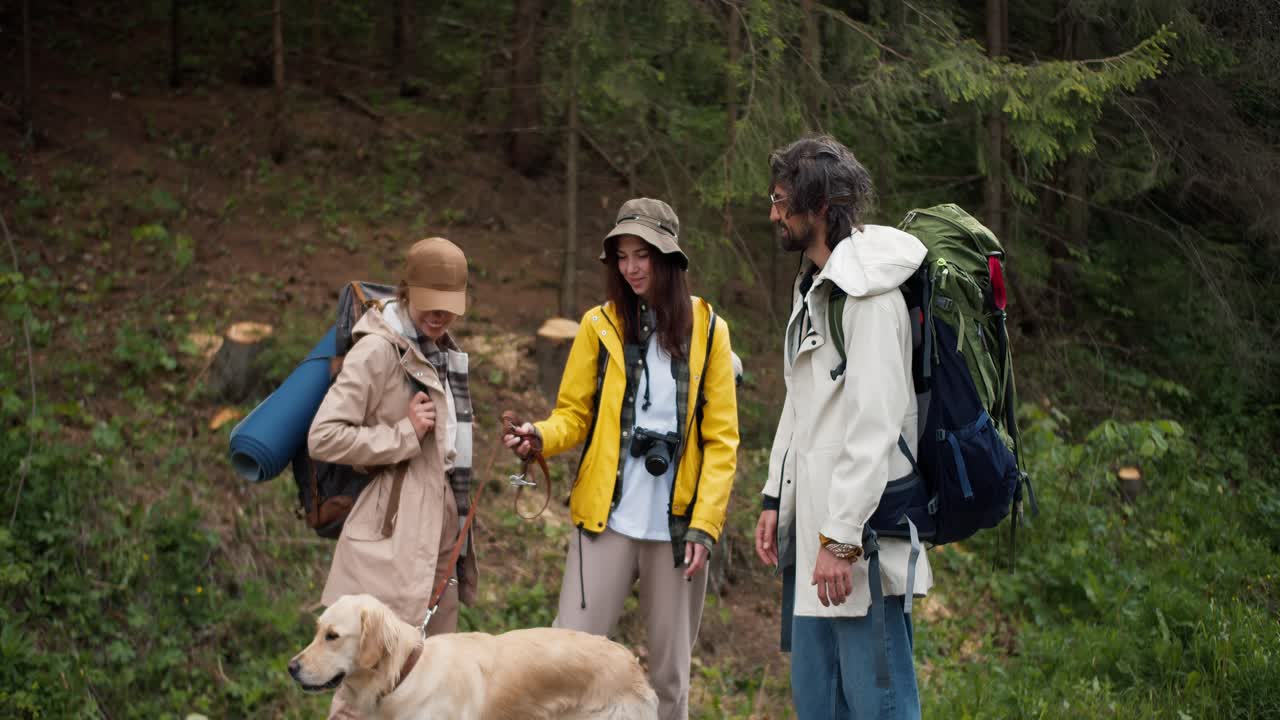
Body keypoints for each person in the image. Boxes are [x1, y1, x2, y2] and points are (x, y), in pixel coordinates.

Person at [503, 198, 739, 720]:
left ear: (669, 258)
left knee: (670, 678)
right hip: (605, 519)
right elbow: (573, 414)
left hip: (677, 531)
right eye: (622, 256)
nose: (631, 268)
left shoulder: (709, 330)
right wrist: (539, 436)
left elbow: (722, 440)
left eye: (643, 254)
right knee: (566, 660)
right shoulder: (599, 324)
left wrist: (705, 525)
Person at [753, 136, 932, 720]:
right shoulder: (815, 287)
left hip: (860, 546)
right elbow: (801, 403)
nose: (774, 214)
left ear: (821, 207)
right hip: (818, 544)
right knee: (819, 705)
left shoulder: (870, 296)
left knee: (879, 707)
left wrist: (840, 539)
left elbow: (874, 427)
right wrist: (775, 498)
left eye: (782, 201)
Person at [308, 237, 478, 719]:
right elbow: (324, 436)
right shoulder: (378, 350)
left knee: (432, 686)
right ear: (406, 291)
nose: (441, 314)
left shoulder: (442, 352)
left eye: (450, 305)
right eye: (431, 302)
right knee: (363, 688)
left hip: (441, 530)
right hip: (392, 539)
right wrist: (403, 433)